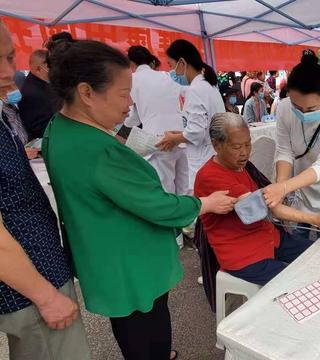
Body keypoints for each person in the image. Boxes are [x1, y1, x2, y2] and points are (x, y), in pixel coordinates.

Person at [43, 39, 234, 360]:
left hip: (107, 257)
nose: (130, 102)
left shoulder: (60, 129)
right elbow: (156, 205)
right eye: (122, 93)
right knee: (148, 330)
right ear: (86, 92)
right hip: (132, 264)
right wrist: (204, 203)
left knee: (132, 330)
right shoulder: (98, 150)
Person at [0, 19, 90, 360]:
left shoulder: (5, 111)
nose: (13, 68)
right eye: (6, 58)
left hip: (37, 272)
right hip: (29, 286)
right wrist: (45, 296)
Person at [195, 113, 320, 285]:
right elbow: (269, 206)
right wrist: (315, 219)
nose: (244, 153)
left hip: (269, 237)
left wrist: (316, 219)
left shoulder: (239, 166)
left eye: (248, 144)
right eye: (236, 147)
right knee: (299, 282)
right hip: (243, 254)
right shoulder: (210, 176)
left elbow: (268, 202)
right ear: (216, 145)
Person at [264, 50, 320, 237]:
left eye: (311, 108)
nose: (303, 113)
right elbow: (284, 151)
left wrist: (285, 187)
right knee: (298, 237)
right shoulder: (285, 108)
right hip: (300, 187)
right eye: (297, 106)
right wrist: (281, 187)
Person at [156, 39, 226, 193]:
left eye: (170, 65)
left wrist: (174, 139)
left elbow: (196, 132)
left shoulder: (196, 90)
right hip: (212, 155)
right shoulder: (208, 86)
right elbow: (201, 126)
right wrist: (179, 135)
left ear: (182, 63)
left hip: (202, 159)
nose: (171, 71)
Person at [124, 45, 189, 197]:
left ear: (131, 63)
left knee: (165, 188)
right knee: (184, 186)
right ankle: (190, 218)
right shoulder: (166, 76)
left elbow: (133, 118)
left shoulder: (133, 80)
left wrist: (125, 125)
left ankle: (173, 219)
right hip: (179, 136)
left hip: (158, 140)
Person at [19, 49, 59, 140]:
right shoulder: (32, 93)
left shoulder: (44, 82)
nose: (54, 69)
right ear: (38, 69)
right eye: (50, 66)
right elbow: (39, 128)